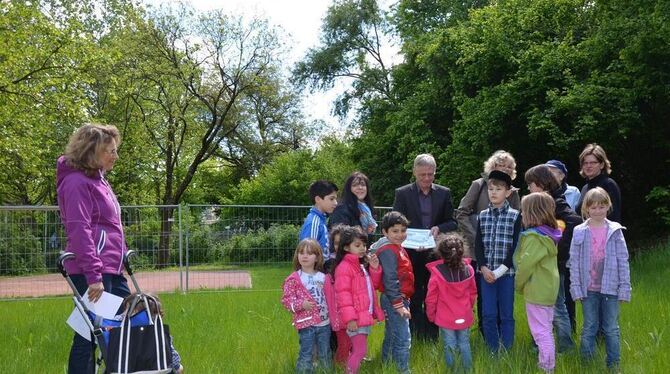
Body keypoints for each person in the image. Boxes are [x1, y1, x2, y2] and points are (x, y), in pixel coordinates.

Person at [56, 123, 131, 374]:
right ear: (92, 151)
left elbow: (109, 226)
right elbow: (80, 231)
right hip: (93, 273)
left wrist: (121, 256)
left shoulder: (98, 181)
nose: (115, 156)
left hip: (111, 268)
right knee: (88, 334)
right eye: (110, 150)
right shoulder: (77, 183)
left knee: (120, 326)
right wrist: (93, 276)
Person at [454, 150, 520, 337]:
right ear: (492, 166)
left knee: (504, 303)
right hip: (481, 252)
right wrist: (477, 237)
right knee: (485, 298)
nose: (505, 169)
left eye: (509, 167)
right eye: (501, 166)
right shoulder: (479, 185)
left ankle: (503, 337)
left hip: (504, 255)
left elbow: (516, 222)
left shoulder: (512, 192)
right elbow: (462, 212)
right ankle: (487, 336)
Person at [393, 153, 457, 341]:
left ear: (435, 172)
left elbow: (452, 222)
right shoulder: (402, 193)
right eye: (422, 175)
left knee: (433, 293)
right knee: (413, 293)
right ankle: (414, 332)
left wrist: (439, 228)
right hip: (409, 254)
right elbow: (395, 221)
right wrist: (408, 236)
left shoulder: (444, 193)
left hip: (434, 254)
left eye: (430, 174)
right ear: (414, 172)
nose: (426, 179)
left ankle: (432, 333)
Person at [569, 187, 631, 370]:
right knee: (589, 327)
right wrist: (576, 289)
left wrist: (624, 289)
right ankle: (587, 364)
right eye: (593, 207)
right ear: (586, 209)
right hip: (588, 289)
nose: (597, 211)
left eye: (601, 207)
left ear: (608, 207)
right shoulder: (579, 231)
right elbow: (573, 261)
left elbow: (623, 260)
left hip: (611, 288)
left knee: (611, 328)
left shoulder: (616, 231)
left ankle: (614, 365)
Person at [525, 164, 581, 351]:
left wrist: (556, 249)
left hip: (554, 265)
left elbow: (574, 222)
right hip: (541, 265)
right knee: (540, 305)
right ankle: (540, 344)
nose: (528, 188)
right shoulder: (542, 202)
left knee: (557, 307)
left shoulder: (556, 202)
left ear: (541, 185)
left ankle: (565, 347)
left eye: (530, 184)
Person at [514, 192, 562, 373]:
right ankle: (547, 363)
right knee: (546, 328)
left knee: (540, 332)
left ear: (533, 213)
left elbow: (525, 266)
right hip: (548, 289)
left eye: (524, 212)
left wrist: (517, 284)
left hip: (537, 290)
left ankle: (547, 367)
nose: (522, 215)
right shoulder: (550, 234)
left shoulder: (534, 238)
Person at [474, 170, 522, 353]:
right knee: (488, 315)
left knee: (506, 315)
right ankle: (492, 350)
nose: (493, 192)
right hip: (486, 274)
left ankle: (507, 349)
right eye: (491, 189)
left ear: (508, 192)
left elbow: (515, 247)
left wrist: (499, 271)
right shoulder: (483, 215)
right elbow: (478, 245)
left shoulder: (516, 216)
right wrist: (484, 268)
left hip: (506, 274)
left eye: (499, 189)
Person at [333, 226, 384, 374]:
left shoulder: (360, 266)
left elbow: (370, 287)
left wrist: (374, 269)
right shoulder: (344, 268)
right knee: (360, 351)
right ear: (346, 247)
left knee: (359, 351)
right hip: (355, 318)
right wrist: (350, 319)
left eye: (364, 245)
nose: (362, 248)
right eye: (357, 245)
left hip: (363, 316)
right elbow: (343, 296)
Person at [281, 238, 335, 373]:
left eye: (309, 253)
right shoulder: (294, 279)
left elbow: (332, 299)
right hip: (306, 325)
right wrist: (301, 304)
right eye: (301, 252)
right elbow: (287, 301)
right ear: (297, 256)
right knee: (307, 354)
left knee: (325, 353)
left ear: (317, 258)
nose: (305, 256)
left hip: (324, 324)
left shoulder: (324, 277)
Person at [426, 233, 477, 372]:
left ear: (441, 254)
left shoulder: (437, 274)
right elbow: (473, 293)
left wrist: (431, 315)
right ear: (462, 252)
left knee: (449, 344)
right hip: (464, 316)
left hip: (445, 318)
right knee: (464, 343)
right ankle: (467, 370)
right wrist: (469, 308)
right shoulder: (469, 270)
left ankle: (452, 370)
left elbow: (431, 299)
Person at [370, 211, 413, 373]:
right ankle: (403, 370)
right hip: (395, 299)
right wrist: (399, 305)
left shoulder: (397, 247)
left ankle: (387, 364)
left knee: (392, 333)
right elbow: (390, 279)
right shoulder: (388, 250)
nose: (400, 234)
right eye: (395, 231)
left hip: (396, 298)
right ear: (385, 232)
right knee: (403, 337)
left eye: (403, 230)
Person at [120, 293, 184, 374]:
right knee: (179, 368)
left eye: (128, 310)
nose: (123, 315)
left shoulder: (122, 337)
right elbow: (175, 364)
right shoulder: (160, 336)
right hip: (157, 370)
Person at [575, 144, 622, 223]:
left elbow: (614, 217)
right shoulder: (585, 188)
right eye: (585, 163)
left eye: (593, 162)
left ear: (602, 165)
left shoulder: (609, 184)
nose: (588, 166)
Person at [299, 180, 339, 266]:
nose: (336, 203)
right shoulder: (314, 223)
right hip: (316, 276)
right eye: (331, 199)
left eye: (336, 199)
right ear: (318, 199)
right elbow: (308, 255)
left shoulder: (321, 220)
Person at [327, 224, 351, 366]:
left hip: (352, 310)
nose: (339, 246)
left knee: (352, 339)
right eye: (336, 243)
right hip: (335, 311)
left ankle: (351, 360)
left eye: (342, 243)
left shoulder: (357, 262)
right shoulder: (329, 264)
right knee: (338, 340)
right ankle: (338, 364)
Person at [329, 172, 377, 240]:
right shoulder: (341, 210)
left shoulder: (367, 209)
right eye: (355, 185)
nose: (360, 187)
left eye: (363, 185)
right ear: (349, 189)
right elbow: (340, 237)